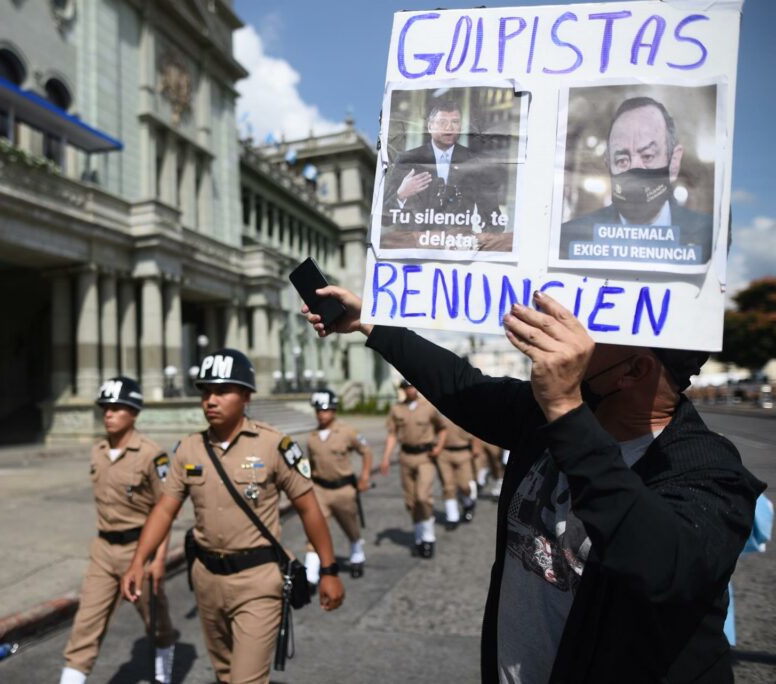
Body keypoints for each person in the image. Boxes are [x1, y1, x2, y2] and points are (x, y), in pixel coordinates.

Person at [303, 286, 765, 682]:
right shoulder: (551, 413)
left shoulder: (708, 470)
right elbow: (463, 385)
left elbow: (663, 570)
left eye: (587, 332)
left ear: (633, 371)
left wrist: (566, 410)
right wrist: (373, 323)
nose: (563, 335)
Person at [121, 348, 345, 684]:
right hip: (207, 579)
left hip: (258, 581)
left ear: (246, 396)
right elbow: (165, 509)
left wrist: (328, 570)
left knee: (246, 680)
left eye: (222, 391)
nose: (211, 400)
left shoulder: (274, 445)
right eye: (206, 391)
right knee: (225, 674)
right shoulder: (189, 449)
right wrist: (138, 561)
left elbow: (308, 508)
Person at [59, 377, 176, 684]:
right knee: (86, 623)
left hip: (140, 549)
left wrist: (159, 559)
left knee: (155, 620)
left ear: (134, 412)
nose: (108, 414)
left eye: (117, 408)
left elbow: (163, 510)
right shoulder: (97, 451)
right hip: (103, 551)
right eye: (105, 408)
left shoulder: (152, 454)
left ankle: (165, 661)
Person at [559, 96, 713, 264]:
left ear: (674, 162)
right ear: (608, 163)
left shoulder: (709, 238)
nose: (634, 169)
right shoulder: (570, 239)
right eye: (622, 160)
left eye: (647, 156)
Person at [383, 98, 501, 232]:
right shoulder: (408, 160)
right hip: (418, 248)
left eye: (455, 122)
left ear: (460, 127)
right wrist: (401, 194)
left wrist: (479, 247)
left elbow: (494, 221)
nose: (449, 128)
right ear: (430, 126)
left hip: (458, 246)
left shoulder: (475, 163)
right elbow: (384, 219)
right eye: (442, 122)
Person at [303, 389, 372, 581]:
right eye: (318, 410)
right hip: (320, 490)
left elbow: (366, 451)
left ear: (334, 410)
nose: (321, 414)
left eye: (325, 410)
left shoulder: (348, 431)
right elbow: (311, 465)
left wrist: (364, 476)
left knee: (350, 526)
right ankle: (311, 575)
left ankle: (357, 554)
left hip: (343, 489)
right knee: (314, 530)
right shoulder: (312, 437)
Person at [380, 379, 445, 557]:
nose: (410, 390)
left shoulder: (429, 407)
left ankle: (429, 537)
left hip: (425, 457)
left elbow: (442, 428)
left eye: (412, 386)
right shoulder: (397, 409)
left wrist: (439, 447)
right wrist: (385, 457)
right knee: (411, 502)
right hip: (406, 457)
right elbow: (392, 435)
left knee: (423, 497)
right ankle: (419, 537)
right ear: (402, 390)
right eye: (406, 387)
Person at [435, 413, 478, 531]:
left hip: (463, 452)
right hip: (443, 453)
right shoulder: (437, 408)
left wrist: (475, 447)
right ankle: (452, 517)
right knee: (448, 486)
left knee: (464, 485)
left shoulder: (463, 406)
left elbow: (476, 429)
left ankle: (468, 504)